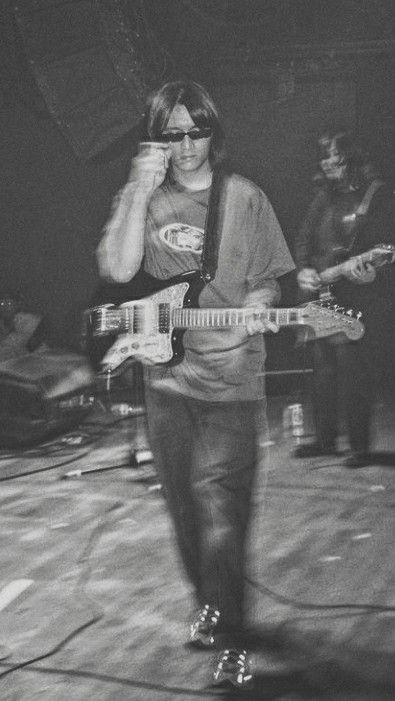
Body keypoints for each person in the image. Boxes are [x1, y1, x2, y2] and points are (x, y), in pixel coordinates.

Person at [96, 80, 295, 688]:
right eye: (173, 134)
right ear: (156, 138)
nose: (186, 146)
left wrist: (259, 303)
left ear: (214, 131)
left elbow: (270, 280)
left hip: (232, 382)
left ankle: (233, 640)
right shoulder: (147, 201)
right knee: (184, 509)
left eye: (197, 131)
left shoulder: (246, 198)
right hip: (167, 382)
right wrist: (136, 187)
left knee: (224, 516)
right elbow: (120, 268)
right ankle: (207, 600)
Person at [294, 131, 395, 467]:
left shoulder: (375, 194)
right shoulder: (323, 196)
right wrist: (303, 270)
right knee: (322, 371)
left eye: (335, 157)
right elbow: (304, 240)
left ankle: (359, 447)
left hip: (358, 297)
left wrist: (372, 268)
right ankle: (324, 441)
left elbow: (387, 248)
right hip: (321, 295)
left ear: (351, 157)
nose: (329, 164)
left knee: (354, 372)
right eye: (324, 158)